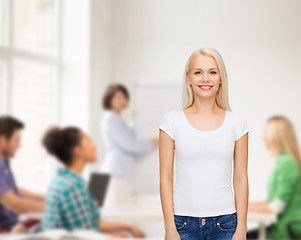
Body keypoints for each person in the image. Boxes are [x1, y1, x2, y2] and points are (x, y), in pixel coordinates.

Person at [159, 48, 250, 240]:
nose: (205, 79)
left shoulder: (237, 123)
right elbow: (165, 177)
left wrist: (241, 228)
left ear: (221, 78)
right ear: (188, 78)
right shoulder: (171, 122)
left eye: (212, 72)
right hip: (183, 224)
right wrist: (169, 228)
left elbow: (241, 177)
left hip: (225, 224)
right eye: (198, 72)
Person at [42, 126, 146, 238]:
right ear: (78, 151)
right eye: (89, 142)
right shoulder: (73, 186)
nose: (94, 146)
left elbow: (91, 223)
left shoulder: (61, 181)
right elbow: (84, 235)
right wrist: (118, 236)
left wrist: (127, 227)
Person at [100, 83, 159, 207]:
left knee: (121, 215)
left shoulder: (116, 119)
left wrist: (132, 121)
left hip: (118, 174)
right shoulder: (111, 119)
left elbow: (127, 137)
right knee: (119, 216)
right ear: (109, 100)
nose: (123, 100)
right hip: (116, 174)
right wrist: (151, 142)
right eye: (118, 97)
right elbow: (129, 143)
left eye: (124, 97)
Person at [247, 115, 301, 239]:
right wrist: (240, 205)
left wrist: (241, 208)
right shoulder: (283, 161)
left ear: (275, 137)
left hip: (287, 230)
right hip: (282, 227)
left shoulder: (286, 163)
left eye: (266, 133)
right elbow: (273, 201)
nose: (263, 137)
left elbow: (276, 207)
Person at [0, 116, 45, 233]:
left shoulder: (4, 162)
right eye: (17, 140)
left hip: (14, 224)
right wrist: (55, 207)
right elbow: (15, 205)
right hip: (6, 229)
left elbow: (12, 190)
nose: (19, 145)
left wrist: (46, 198)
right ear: (2, 140)